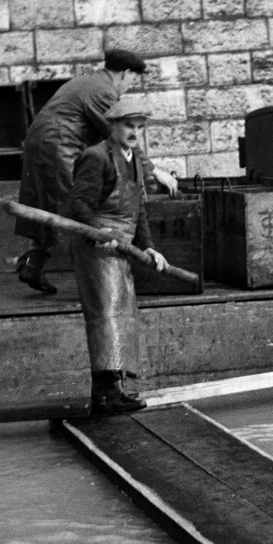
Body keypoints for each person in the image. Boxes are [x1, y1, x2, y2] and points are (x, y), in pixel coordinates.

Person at [14, 48, 177, 294]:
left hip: (43, 142)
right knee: (80, 205)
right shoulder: (104, 90)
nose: (130, 86)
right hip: (59, 144)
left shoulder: (90, 80)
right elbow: (119, 135)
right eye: (132, 79)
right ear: (124, 73)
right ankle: (95, 280)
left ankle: (32, 264)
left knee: (53, 205)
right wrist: (154, 171)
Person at [68, 99, 174, 416]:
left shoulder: (135, 161)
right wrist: (99, 233)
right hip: (97, 249)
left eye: (140, 126)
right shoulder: (95, 157)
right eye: (129, 125)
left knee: (122, 315)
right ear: (112, 126)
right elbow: (79, 206)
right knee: (105, 317)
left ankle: (108, 391)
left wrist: (150, 246)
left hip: (123, 248)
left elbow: (136, 210)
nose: (134, 132)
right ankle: (110, 393)